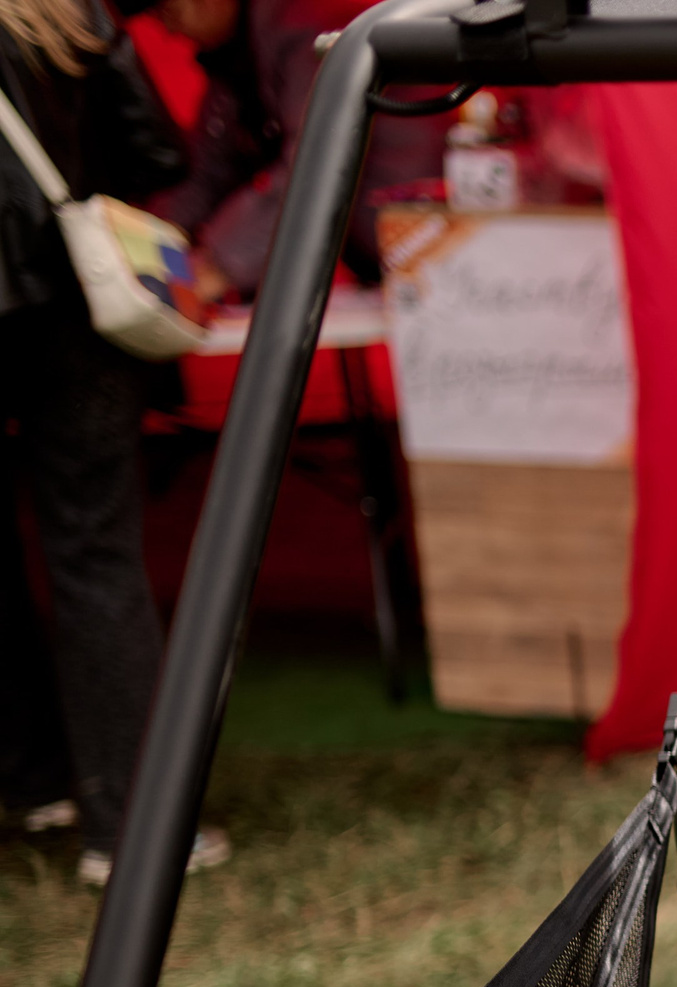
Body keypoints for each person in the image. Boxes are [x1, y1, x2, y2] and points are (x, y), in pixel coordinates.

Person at [0, 0, 227, 882]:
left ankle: (32, 776)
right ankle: (131, 825)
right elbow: (158, 154)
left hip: (49, 309)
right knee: (95, 552)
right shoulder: (69, 15)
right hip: (74, 312)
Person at [141, 0, 444, 300]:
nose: (168, 31)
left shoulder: (306, 23)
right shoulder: (245, 47)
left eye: (168, 11)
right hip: (398, 244)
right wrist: (152, 239)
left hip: (428, 240)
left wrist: (217, 266)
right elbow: (210, 166)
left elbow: (316, 167)